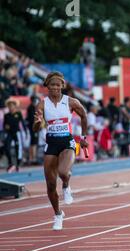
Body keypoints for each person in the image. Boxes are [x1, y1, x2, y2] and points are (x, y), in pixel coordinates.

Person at [33, 72, 88, 230]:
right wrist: (38, 122)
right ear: (47, 87)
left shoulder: (71, 101)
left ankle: (66, 186)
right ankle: (58, 214)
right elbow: (35, 128)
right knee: (50, 185)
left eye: (58, 85)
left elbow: (84, 116)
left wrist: (83, 137)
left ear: (62, 86)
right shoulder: (42, 104)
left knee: (64, 172)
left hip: (67, 141)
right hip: (51, 143)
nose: (55, 88)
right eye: (52, 85)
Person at [3, 98, 26, 172]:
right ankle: (10, 164)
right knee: (6, 147)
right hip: (9, 133)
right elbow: (4, 125)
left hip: (17, 133)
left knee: (18, 149)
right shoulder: (6, 115)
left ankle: (18, 165)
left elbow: (22, 123)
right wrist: (6, 128)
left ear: (15, 106)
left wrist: (25, 132)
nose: (11, 107)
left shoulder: (18, 114)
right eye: (9, 106)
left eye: (12, 105)